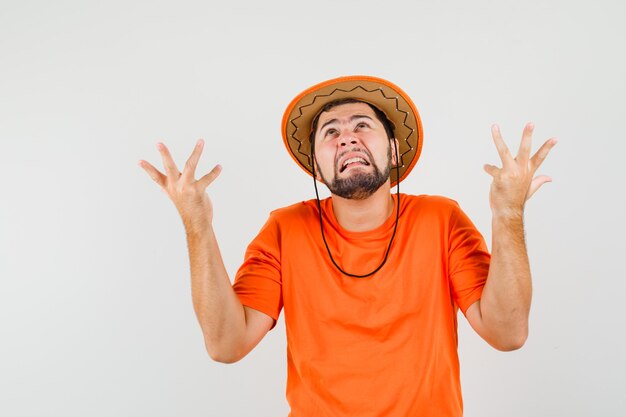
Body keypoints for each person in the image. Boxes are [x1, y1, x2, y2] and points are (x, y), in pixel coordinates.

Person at [138, 75, 557, 417]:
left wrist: (508, 215)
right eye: (331, 132)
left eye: (362, 125)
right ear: (317, 165)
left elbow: (508, 333)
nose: (347, 139)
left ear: (393, 150)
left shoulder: (440, 220)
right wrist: (197, 224)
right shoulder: (286, 229)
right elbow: (226, 345)